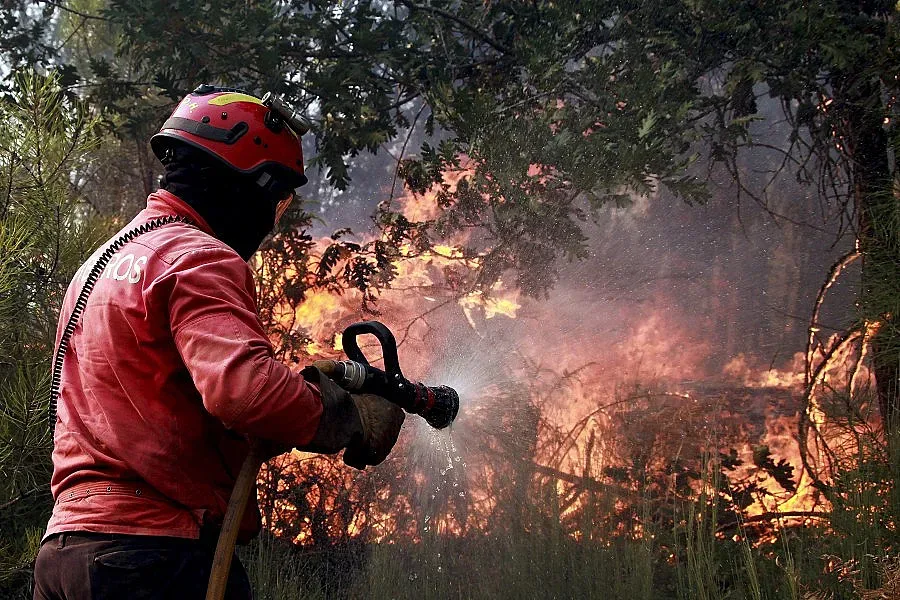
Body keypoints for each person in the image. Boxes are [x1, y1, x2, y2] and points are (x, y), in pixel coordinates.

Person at [32, 85, 405, 599]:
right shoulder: (198, 257)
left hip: (67, 555)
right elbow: (247, 392)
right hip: (153, 558)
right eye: (275, 197)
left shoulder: (101, 264)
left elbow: (162, 412)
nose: (270, 218)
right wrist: (346, 417)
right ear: (243, 183)